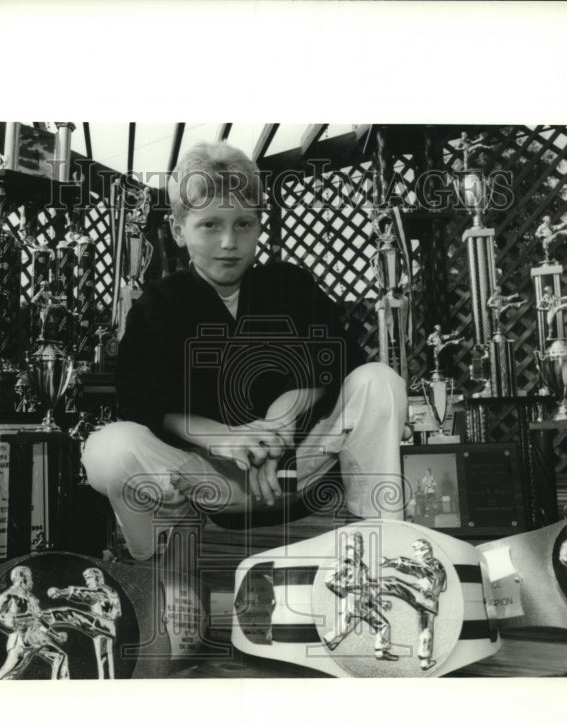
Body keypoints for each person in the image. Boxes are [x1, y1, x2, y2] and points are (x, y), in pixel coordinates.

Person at [81, 142, 408, 560]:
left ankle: (380, 541)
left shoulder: (289, 285)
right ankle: (162, 567)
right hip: (204, 479)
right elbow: (143, 399)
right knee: (108, 448)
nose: (229, 242)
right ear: (180, 230)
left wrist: (274, 433)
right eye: (211, 225)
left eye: (244, 224)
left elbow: (330, 360)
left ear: (259, 226)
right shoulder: (158, 305)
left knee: (379, 381)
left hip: (297, 470)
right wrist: (226, 440)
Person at [322, 532, 398, 661]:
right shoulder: (342, 563)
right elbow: (328, 580)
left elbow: (367, 586)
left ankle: (381, 651)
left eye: (358, 547)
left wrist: (380, 602)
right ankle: (328, 640)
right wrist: (344, 590)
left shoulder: (363, 567)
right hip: (351, 598)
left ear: (362, 550)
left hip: (364, 600)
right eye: (351, 547)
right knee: (344, 627)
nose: (357, 550)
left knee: (383, 624)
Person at [0, 565, 69, 680]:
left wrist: (55, 636)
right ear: (23, 578)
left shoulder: (32, 598)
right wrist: (13, 626)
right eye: (30, 578)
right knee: (10, 672)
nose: (32, 581)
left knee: (59, 656)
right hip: (20, 640)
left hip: (36, 638)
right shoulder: (8, 595)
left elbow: (38, 621)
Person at [381, 538, 447, 670]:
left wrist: (391, 562)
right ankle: (425, 661)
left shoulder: (431, 563)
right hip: (431, 602)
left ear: (425, 550)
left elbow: (412, 566)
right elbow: (444, 587)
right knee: (425, 630)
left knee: (395, 584)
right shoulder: (438, 565)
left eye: (416, 550)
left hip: (425, 597)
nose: (415, 553)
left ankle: (371, 588)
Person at [47, 568, 123, 679]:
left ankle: (47, 617)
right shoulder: (108, 591)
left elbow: (87, 594)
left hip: (103, 623)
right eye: (85, 579)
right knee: (104, 659)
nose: (87, 582)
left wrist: (61, 592)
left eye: (88, 578)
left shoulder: (105, 590)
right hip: (105, 628)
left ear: (98, 577)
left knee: (69, 613)